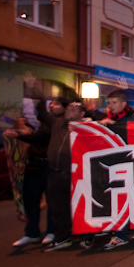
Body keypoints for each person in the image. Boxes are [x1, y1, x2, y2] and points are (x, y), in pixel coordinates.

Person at [5, 83, 56, 247]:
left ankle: (52, 231)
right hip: (32, 166)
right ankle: (31, 233)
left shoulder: (50, 123)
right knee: (30, 201)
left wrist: (35, 90)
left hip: (48, 166)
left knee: (51, 201)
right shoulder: (27, 125)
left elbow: (43, 138)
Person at [99, 91, 134, 250]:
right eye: (108, 102)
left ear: (123, 104)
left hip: (132, 165)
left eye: (114, 102)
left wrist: (115, 125)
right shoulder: (104, 120)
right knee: (118, 201)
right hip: (114, 166)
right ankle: (120, 234)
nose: (110, 106)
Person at [42, 101, 89, 251]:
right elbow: (41, 113)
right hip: (56, 174)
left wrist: (84, 126)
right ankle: (62, 238)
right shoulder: (57, 123)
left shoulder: (89, 127)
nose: (69, 111)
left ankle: (86, 237)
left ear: (82, 114)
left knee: (82, 207)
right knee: (58, 209)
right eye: (68, 108)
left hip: (78, 175)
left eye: (74, 109)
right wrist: (34, 90)